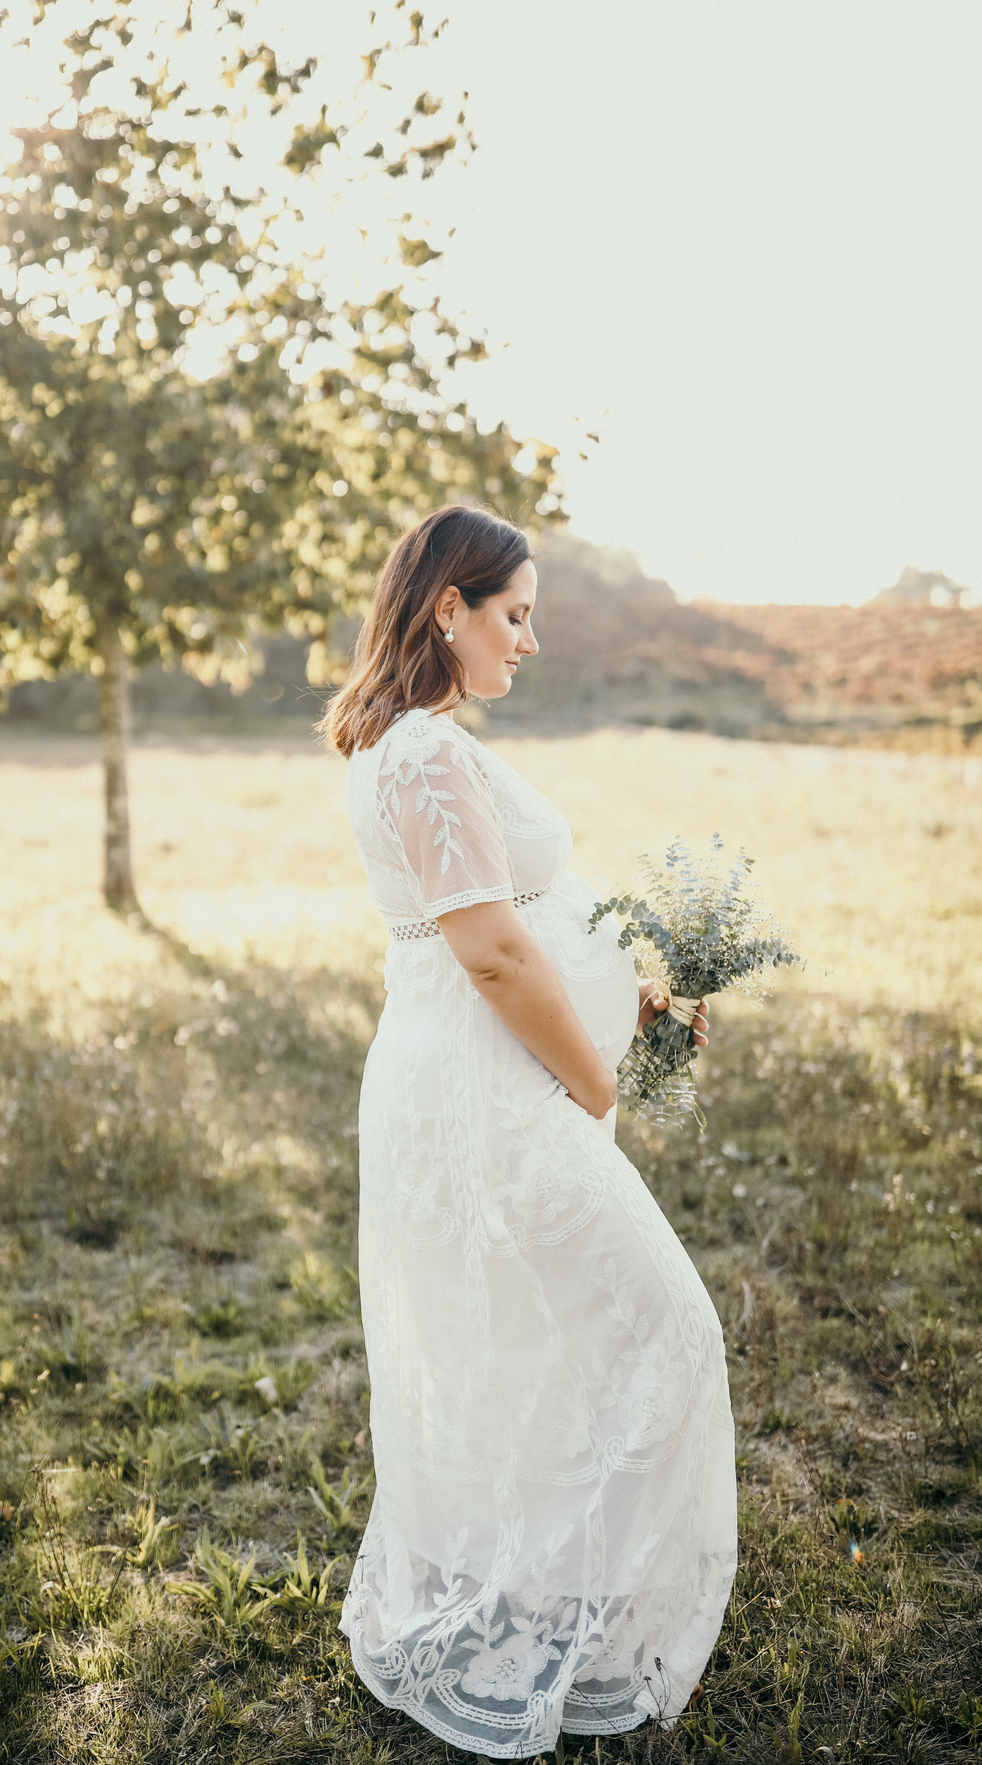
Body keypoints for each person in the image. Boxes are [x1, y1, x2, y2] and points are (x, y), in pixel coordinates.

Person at [319, 505, 737, 1759]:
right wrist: (598, 1081)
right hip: (492, 1104)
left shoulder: (419, 745)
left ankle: (542, 1601)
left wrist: (635, 996)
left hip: (487, 1089)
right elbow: (493, 955)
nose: (530, 639)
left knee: (528, 1349)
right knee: (664, 1324)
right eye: (515, 614)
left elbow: (524, 916)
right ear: (447, 607)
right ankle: (558, 1615)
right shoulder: (427, 757)